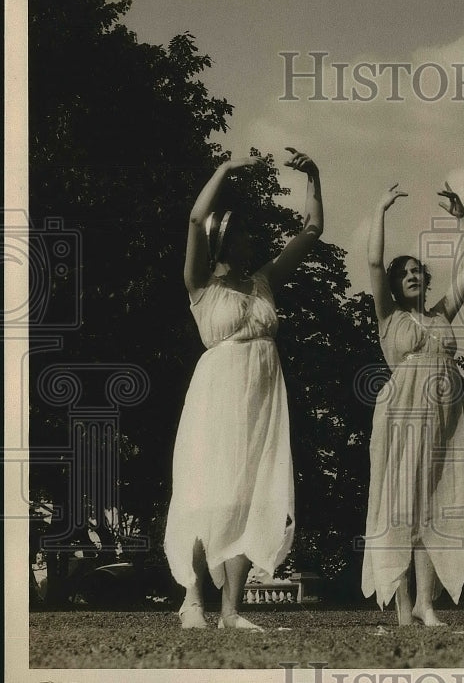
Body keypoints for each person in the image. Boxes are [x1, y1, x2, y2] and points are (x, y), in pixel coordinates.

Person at [164, 147, 324, 630]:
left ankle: (233, 611)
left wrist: (314, 177)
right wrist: (224, 170)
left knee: (250, 495)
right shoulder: (200, 286)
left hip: (263, 396)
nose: (255, 240)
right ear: (225, 241)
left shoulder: (263, 281)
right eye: (247, 234)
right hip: (218, 394)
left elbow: (312, 231)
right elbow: (195, 217)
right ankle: (192, 598)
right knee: (206, 490)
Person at [362, 182, 464, 626]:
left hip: (446, 419)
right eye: (405, 273)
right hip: (402, 415)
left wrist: (462, 219)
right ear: (394, 285)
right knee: (402, 505)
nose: (413, 276)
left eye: (418, 271)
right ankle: (402, 609)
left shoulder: (440, 316)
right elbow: (373, 260)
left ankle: (426, 604)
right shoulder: (389, 318)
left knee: (436, 505)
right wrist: (380, 208)